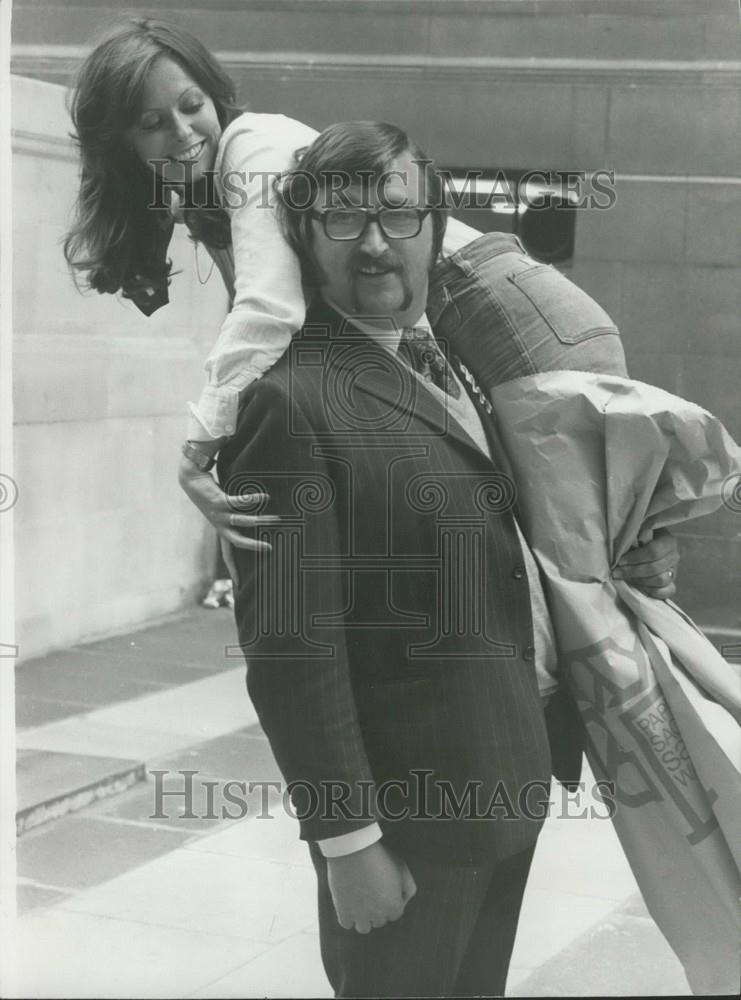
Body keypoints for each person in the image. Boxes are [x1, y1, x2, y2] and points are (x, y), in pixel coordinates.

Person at [63, 18, 678, 599]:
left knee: (595, 576)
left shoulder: (251, 148)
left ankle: (677, 699)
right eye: (152, 122)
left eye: (191, 105)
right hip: (477, 320)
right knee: (580, 565)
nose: (183, 130)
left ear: (212, 96)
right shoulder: (203, 185)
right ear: (121, 143)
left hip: (510, 314)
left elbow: (269, 310)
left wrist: (197, 453)